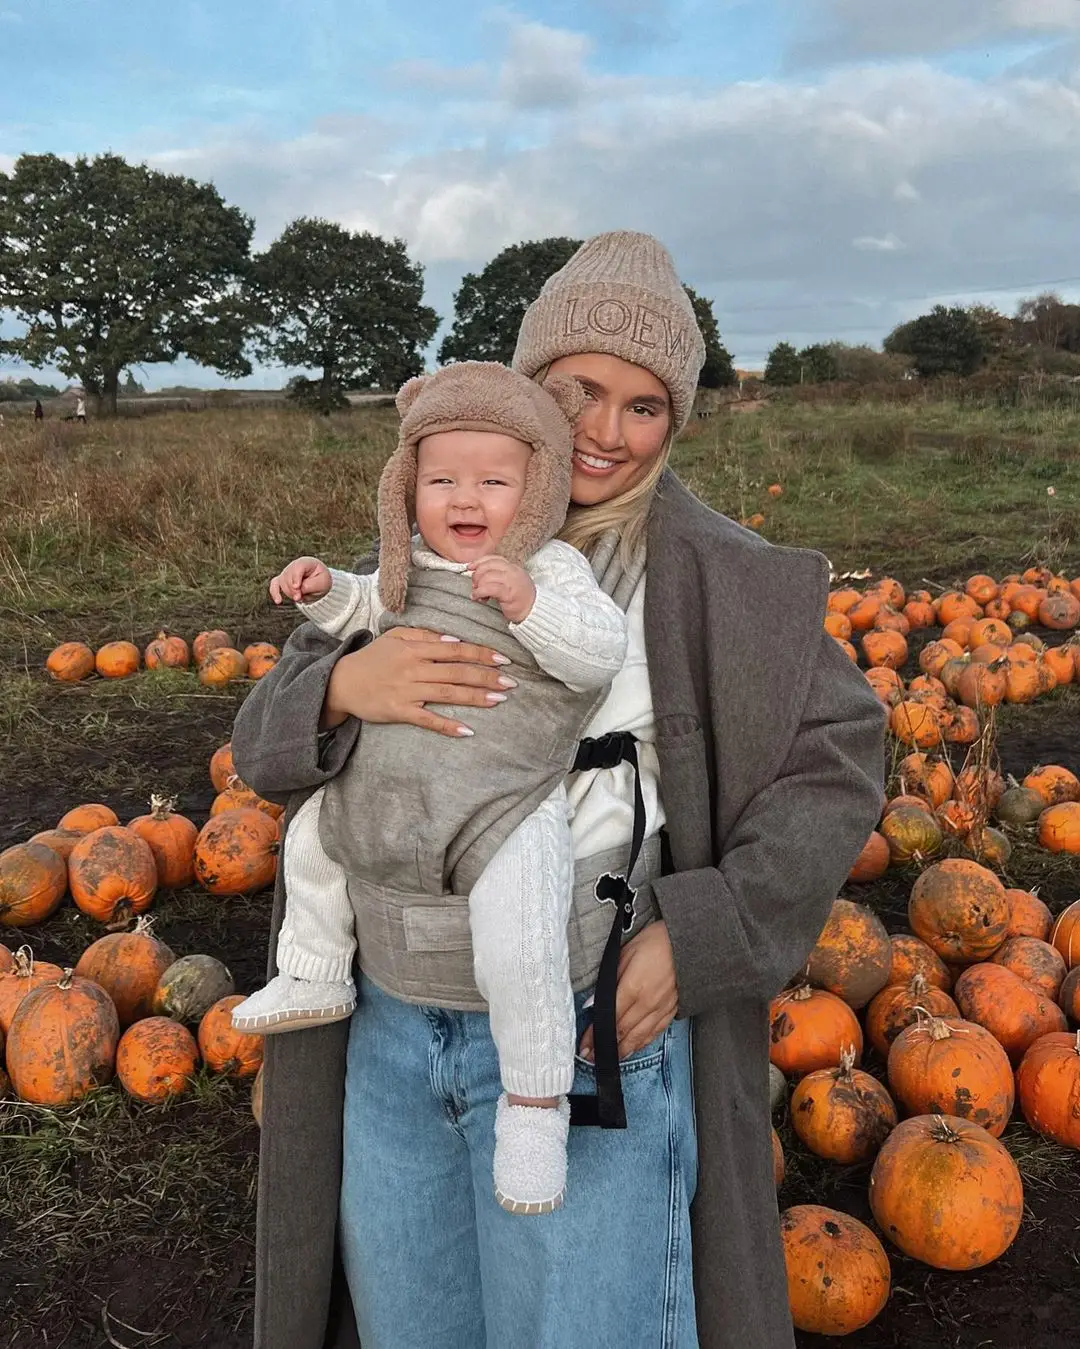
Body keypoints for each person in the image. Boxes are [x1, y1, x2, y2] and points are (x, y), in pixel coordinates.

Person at [231, 230, 886, 1349]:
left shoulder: (718, 576)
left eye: (645, 406)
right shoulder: (433, 535)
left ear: (675, 421)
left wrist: (702, 933)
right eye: (578, 388)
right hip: (395, 1023)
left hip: (588, 1034)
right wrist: (341, 685)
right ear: (527, 384)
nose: (604, 430)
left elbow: (842, 754)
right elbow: (263, 746)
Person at [230, 361, 629, 1214]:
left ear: (540, 487)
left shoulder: (552, 568)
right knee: (312, 836)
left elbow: (598, 651)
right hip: (386, 797)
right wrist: (322, 588)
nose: (466, 499)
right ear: (405, 490)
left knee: (520, 940)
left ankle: (532, 1103)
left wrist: (529, 607)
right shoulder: (406, 567)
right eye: (441, 479)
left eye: (494, 481)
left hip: (502, 806)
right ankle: (314, 969)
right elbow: (360, 608)